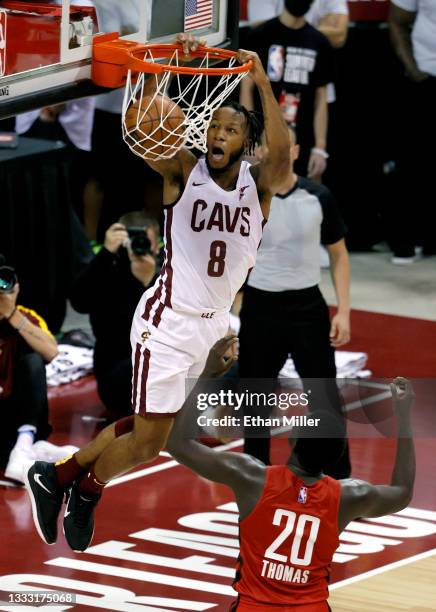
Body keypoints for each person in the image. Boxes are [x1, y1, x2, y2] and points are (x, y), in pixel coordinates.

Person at [24, 34, 291, 552]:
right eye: (213, 124)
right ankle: (85, 492)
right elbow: (145, 131)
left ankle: (56, 478)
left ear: (245, 140)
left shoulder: (257, 189)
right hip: (167, 319)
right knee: (150, 442)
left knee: (149, 427)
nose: (216, 132)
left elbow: (280, 158)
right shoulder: (183, 172)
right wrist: (157, 69)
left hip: (212, 322)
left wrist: (259, 80)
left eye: (230, 128)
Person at [167, 336, 416, 611]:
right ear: (337, 456)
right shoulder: (348, 496)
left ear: (292, 439)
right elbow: (402, 492)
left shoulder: (252, 477)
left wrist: (208, 376)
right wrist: (404, 417)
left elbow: (178, 444)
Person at [239, 127, 351, 475]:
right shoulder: (244, 196)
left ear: (297, 150)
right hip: (259, 306)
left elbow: (339, 254)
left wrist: (344, 311)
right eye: (269, 145)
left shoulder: (319, 196)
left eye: (283, 145)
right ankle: (254, 478)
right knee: (255, 400)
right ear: (258, 151)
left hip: (307, 307)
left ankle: (339, 477)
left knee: (324, 396)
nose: (275, 152)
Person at [69, 211, 159, 420]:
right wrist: (106, 254)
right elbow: (78, 302)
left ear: (157, 245)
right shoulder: (105, 275)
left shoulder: (165, 276)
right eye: (135, 240)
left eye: (147, 241)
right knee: (142, 363)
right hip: (118, 375)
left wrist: (148, 283)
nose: (141, 246)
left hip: (162, 373)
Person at [240, 0, 334, 181]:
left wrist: (320, 147)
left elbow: (321, 99)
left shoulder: (320, 42)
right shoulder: (260, 35)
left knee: (304, 193)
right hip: (264, 136)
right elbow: (246, 87)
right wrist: (249, 138)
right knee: (259, 192)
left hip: (303, 137)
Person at [0, 258, 59, 483]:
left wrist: (11, 315)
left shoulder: (25, 316)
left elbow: (51, 352)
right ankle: (31, 450)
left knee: (34, 360)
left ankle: (25, 444)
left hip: (20, 414)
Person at [388, 0, 436, 262]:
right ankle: (405, 240)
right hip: (426, 78)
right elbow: (397, 21)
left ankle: (430, 240)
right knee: (413, 164)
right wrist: (415, 71)